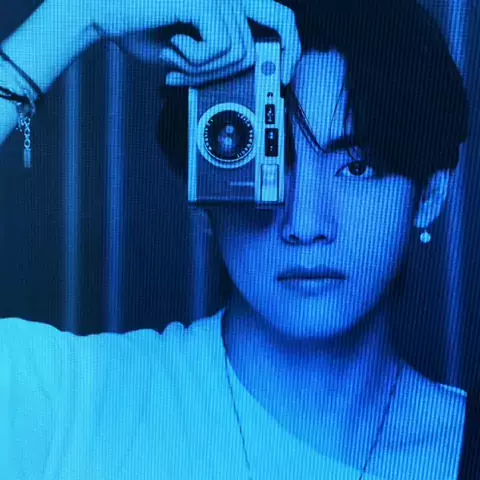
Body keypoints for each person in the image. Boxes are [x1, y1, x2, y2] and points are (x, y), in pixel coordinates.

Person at [0, 0, 477, 478]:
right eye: (269, 161)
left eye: (358, 167)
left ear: (430, 196)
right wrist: (76, 18)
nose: (305, 223)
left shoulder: (457, 445)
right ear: (203, 189)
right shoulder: (72, 403)